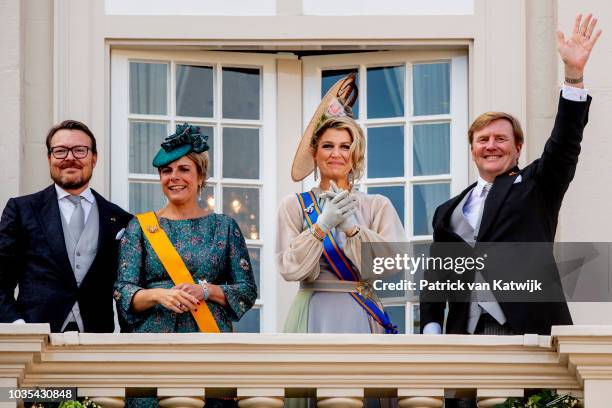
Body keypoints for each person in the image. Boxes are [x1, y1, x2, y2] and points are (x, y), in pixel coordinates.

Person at [420, 13, 601, 337]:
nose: (491, 146)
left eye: (501, 139)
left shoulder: (536, 186)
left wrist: (573, 75)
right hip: (465, 335)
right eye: (483, 140)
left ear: (518, 149)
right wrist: (432, 327)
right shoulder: (446, 212)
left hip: (527, 329)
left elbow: (564, 144)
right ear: (472, 149)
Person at [114, 123, 257, 408]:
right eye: (166, 171)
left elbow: (246, 291)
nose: (174, 177)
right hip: (153, 350)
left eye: (183, 169)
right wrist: (159, 295)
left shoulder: (224, 227)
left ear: (200, 176)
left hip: (209, 348)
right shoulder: (141, 227)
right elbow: (123, 291)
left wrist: (205, 290)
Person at [277, 73, 405, 336]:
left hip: (361, 311)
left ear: (355, 154)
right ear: (315, 154)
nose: (336, 154)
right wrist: (321, 226)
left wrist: (352, 230)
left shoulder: (377, 206)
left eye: (345, 146)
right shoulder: (294, 205)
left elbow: (393, 263)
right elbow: (289, 268)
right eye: (327, 146)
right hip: (312, 312)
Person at [0, 120, 132, 332]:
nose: (70, 157)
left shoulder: (120, 219)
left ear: (94, 158)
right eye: (60, 151)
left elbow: (126, 288)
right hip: (34, 344)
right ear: (49, 158)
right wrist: (18, 328)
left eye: (80, 150)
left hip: (97, 345)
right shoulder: (21, 210)